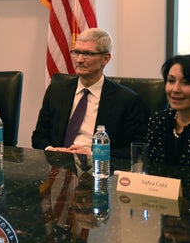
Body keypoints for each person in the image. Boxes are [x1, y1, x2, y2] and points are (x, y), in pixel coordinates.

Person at [32, 28, 148, 158]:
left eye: (88, 53)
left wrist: (94, 155)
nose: (79, 59)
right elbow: (39, 136)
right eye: (77, 52)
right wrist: (52, 150)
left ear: (105, 58)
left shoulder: (126, 100)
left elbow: (137, 150)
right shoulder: (56, 91)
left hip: (99, 168)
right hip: (58, 165)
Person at [147, 54, 190, 167]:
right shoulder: (158, 120)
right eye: (171, 81)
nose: (175, 89)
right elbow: (151, 167)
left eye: (186, 82)